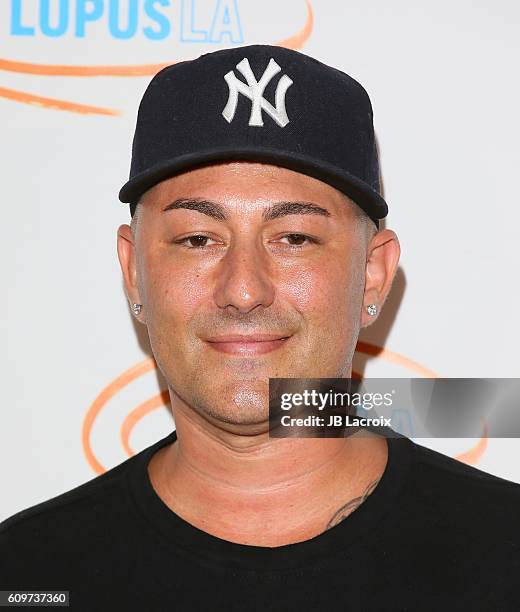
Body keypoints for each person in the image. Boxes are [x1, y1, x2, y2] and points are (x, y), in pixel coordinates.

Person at [1, 44, 519, 611]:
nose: (243, 290)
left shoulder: (505, 554)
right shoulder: (28, 571)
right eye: (197, 239)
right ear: (133, 271)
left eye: (294, 238)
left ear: (372, 274)